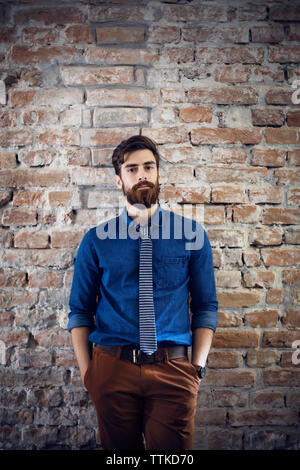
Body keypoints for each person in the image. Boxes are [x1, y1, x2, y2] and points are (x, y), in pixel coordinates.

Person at [68, 135, 218, 450]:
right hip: (112, 369)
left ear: (159, 173)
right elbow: (80, 311)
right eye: (132, 169)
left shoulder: (191, 235)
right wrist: (89, 376)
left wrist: (197, 368)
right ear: (118, 180)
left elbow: (205, 307)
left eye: (149, 166)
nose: (142, 175)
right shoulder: (96, 240)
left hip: (173, 369)